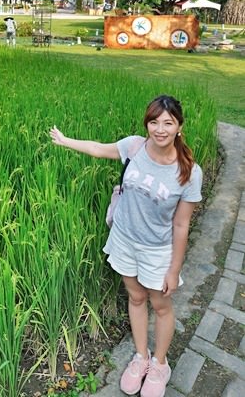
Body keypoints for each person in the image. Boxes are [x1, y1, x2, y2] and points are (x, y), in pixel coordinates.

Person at [49, 95, 202, 397]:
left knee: (160, 306)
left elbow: (181, 225)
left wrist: (174, 269)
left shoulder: (189, 172)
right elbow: (97, 148)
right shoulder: (134, 146)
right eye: (154, 122)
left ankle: (160, 364)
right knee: (135, 298)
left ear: (179, 127)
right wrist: (66, 141)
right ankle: (141, 357)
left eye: (168, 123)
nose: (160, 129)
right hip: (123, 240)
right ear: (147, 124)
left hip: (157, 251)